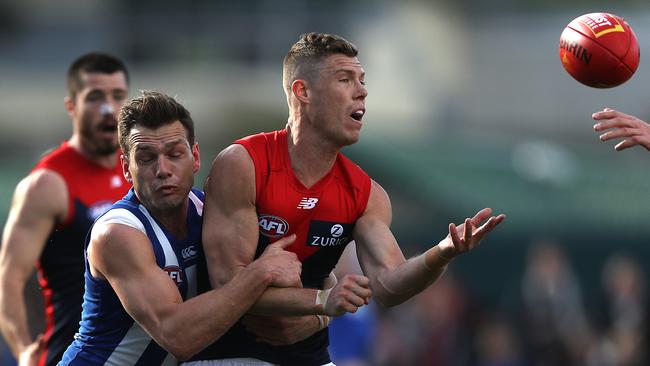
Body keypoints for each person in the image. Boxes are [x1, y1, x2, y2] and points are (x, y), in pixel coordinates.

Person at [194, 32, 506, 365]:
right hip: (230, 356)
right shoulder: (243, 163)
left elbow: (388, 284)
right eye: (345, 79)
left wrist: (442, 253)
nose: (362, 91)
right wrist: (321, 301)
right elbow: (228, 285)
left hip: (310, 358)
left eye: (362, 80)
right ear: (303, 92)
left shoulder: (365, 193)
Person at [59, 90, 303, 365]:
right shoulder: (117, 233)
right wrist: (259, 274)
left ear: (195, 157)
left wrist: (321, 314)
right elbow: (178, 337)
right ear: (127, 168)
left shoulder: (215, 211)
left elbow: (308, 275)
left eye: (174, 154)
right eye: (147, 158)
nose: (162, 169)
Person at [0, 52, 131, 366]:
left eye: (118, 96)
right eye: (95, 97)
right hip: (76, 354)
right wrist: (23, 350)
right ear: (72, 106)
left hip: (140, 352)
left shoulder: (138, 170)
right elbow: (10, 277)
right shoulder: (47, 184)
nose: (108, 109)